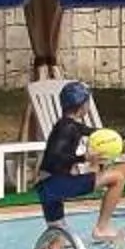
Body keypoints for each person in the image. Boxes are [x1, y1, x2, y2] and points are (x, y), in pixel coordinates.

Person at [32, 82, 99, 227]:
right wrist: (83, 158)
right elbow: (56, 156)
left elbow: (97, 133)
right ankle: (102, 227)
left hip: (46, 186)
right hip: (55, 184)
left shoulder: (68, 125)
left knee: (59, 239)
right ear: (82, 105)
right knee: (117, 178)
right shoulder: (68, 128)